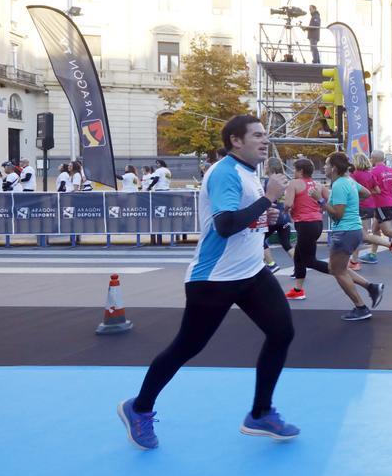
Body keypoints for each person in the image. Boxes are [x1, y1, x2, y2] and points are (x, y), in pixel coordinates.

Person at [117, 115, 298, 450]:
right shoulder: (226, 173)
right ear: (235, 141)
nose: (264, 140)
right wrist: (268, 200)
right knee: (187, 347)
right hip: (214, 279)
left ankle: (260, 413)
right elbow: (226, 225)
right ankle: (138, 408)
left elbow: (247, 224)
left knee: (282, 332)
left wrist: (267, 219)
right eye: (257, 135)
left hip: (250, 272)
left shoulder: (248, 174)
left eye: (265, 135)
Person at [315, 151, 386, 321]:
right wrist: (352, 199)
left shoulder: (339, 184)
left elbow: (338, 214)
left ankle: (361, 307)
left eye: (326, 164)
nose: (324, 167)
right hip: (354, 229)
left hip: (345, 230)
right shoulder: (350, 181)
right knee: (338, 268)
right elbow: (367, 193)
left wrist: (320, 200)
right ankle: (371, 288)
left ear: (333, 168)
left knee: (337, 271)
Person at [283, 158, 332, 300]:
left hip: (305, 225)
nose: (293, 172)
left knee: (309, 261)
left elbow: (288, 203)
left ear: (301, 171)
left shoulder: (294, 184)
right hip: (316, 223)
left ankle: (341, 271)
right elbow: (329, 199)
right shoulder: (318, 185)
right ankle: (298, 290)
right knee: (298, 257)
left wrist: (285, 210)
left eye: (295, 170)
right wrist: (320, 207)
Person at [350, 153, 392, 267]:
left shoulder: (355, 175)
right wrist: (368, 192)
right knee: (360, 233)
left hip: (359, 206)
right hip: (370, 206)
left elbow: (352, 189)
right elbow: (377, 190)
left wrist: (361, 194)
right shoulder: (370, 175)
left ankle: (390, 244)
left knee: (362, 235)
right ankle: (355, 261)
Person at [261, 158, 292, 274]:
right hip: (284, 215)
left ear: (269, 167)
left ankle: (271, 263)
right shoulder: (284, 179)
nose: (264, 167)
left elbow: (266, 198)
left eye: (265, 165)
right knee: (286, 244)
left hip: (273, 215)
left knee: (259, 239)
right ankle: (300, 267)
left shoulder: (270, 181)